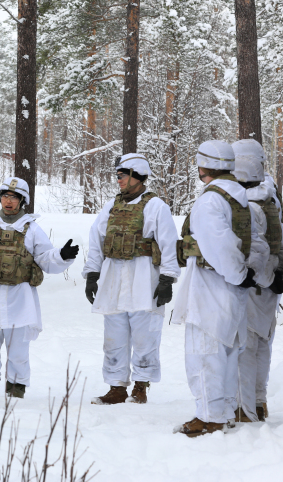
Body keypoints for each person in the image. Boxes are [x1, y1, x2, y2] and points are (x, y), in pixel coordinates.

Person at [172, 140, 269, 437]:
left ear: (203, 167)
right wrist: (249, 274)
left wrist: (238, 274)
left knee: (204, 355)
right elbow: (260, 244)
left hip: (211, 289)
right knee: (227, 355)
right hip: (234, 294)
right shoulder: (245, 199)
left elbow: (220, 246)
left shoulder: (211, 201)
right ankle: (225, 411)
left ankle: (209, 418)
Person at [82, 153, 180, 405]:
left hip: (144, 276)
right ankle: (116, 387)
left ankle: (141, 385)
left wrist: (168, 278)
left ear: (137, 175)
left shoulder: (156, 206)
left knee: (145, 334)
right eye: (118, 176)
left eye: (123, 175)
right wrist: (92, 273)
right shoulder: (111, 206)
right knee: (113, 336)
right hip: (114, 276)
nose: (119, 180)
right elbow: (96, 240)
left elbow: (168, 244)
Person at [0, 177, 78, 398]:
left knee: (19, 350)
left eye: (14, 197)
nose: (8, 202)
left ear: (22, 201)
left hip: (20, 298)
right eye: (5, 196)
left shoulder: (32, 229)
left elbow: (45, 258)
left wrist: (61, 256)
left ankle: (16, 389)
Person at [234, 139, 283, 421]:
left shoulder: (244, 202)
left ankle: (244, 408)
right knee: (261, 344)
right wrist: (282, 276)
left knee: (244, 347)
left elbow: (253, 249)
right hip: (271, 284)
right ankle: (258, 402)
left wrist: (265, 278)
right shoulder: (269, 197)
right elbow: (282, 241)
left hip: (252, 282)